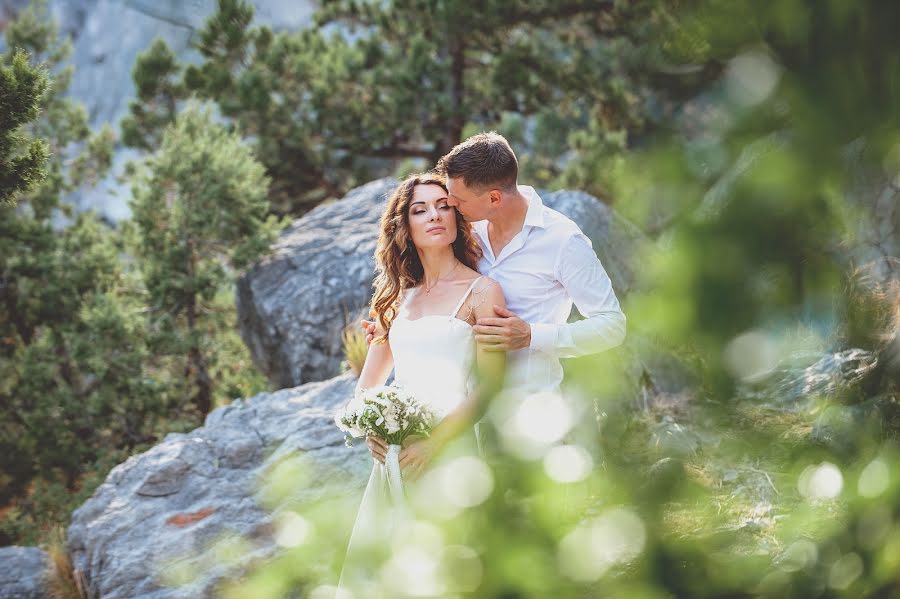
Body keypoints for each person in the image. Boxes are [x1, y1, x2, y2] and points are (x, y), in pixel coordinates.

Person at [363, 132, 626, 460]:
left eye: (456, 201)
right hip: (466, 418)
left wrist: (531, 335)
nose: (450, 208)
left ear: (494, 198)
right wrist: (399, 329)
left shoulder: (563, 242)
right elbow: (436, 294)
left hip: (532, 409)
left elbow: (612, 326)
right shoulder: (469, 231)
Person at [335, 172, 506, 594]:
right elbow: (369, 384)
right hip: (394, 459)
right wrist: (373, 432)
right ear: (404, 227)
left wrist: (434, 444)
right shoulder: (395, 300)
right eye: (420, 209)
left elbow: (490, 385)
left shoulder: (484, 292)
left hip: (452, 448)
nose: (434, 215)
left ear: (456, 216)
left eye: (443, 205)